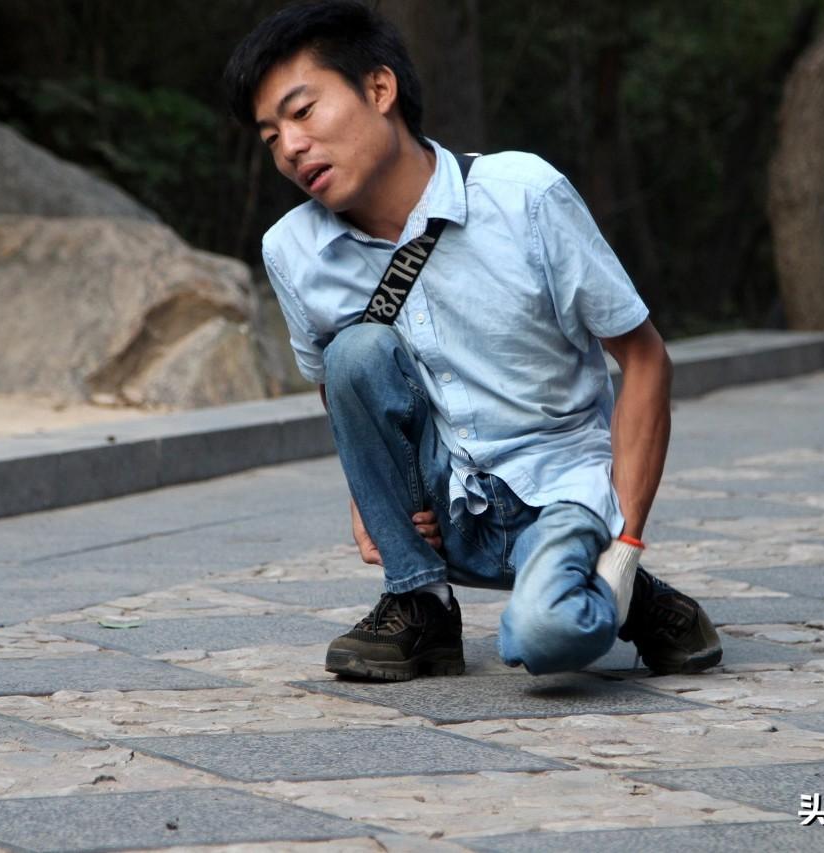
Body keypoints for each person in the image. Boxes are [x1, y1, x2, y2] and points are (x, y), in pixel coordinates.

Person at [224, 0, 721, 681]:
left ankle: (629, 595)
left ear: (379, 88)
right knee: (353, 351)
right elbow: (337, 383)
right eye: (270, 136)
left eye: (303, 112)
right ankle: (420, 606)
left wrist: (627, 543)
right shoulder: (294, 250)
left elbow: (644, 358)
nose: (289, 147)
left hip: (558, 489)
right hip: (442, 499)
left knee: (546, 638)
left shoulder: (523, 195)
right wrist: (371, 501)